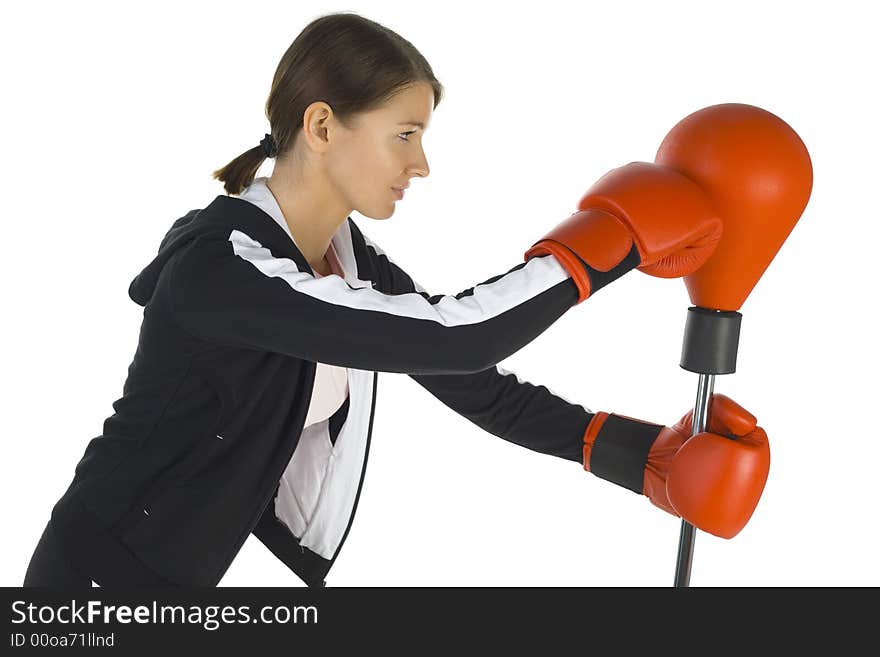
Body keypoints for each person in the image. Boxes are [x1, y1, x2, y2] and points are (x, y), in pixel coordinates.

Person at [23, 12, 768, 588]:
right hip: (99, 581)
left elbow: (470, 382)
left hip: (183, 577)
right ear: (321, 126)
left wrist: (637, 457)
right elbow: (456, 335)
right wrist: (604, 244)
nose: (422, 163)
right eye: (403, 134)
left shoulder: (343, 263)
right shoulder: (223, 269)